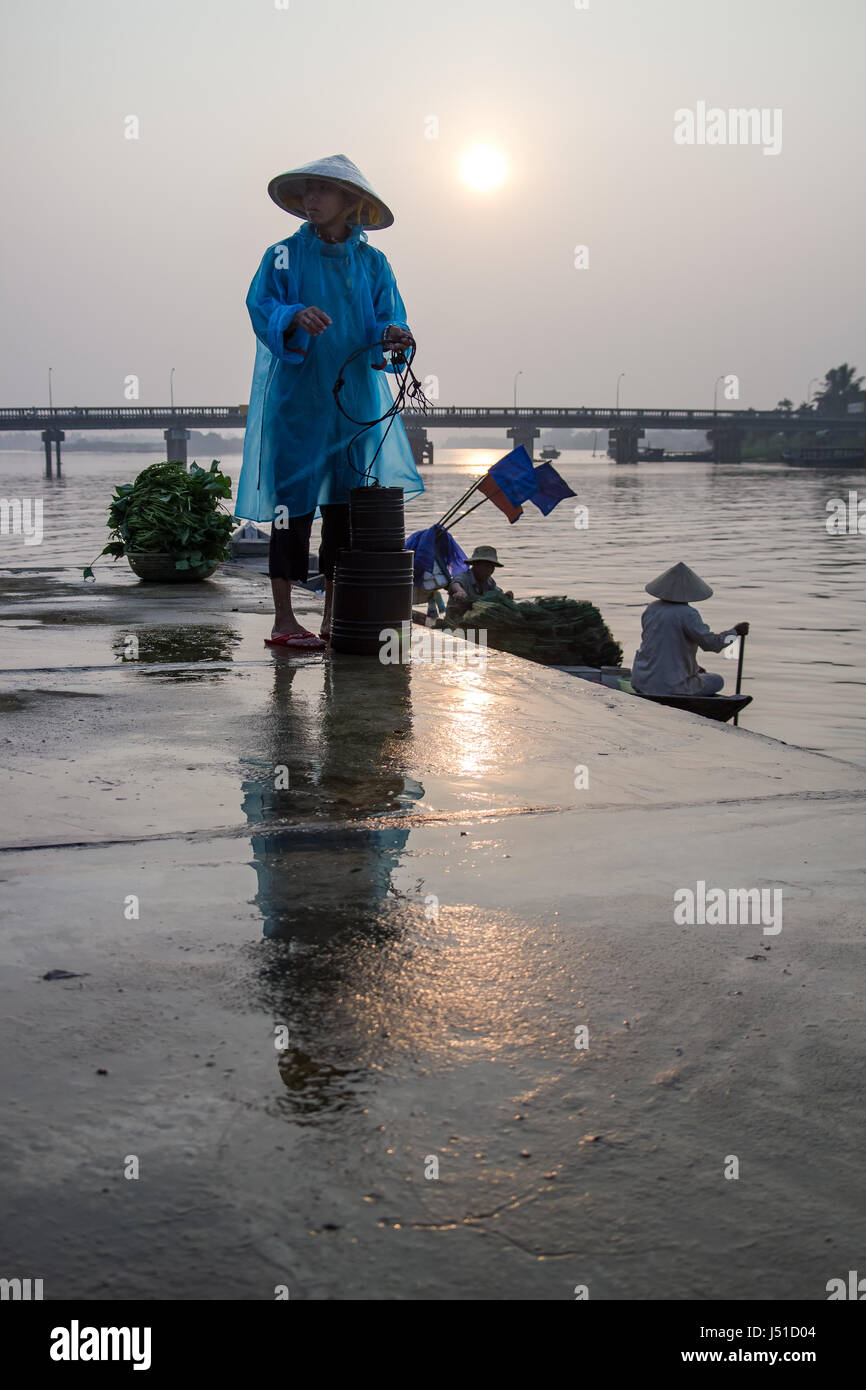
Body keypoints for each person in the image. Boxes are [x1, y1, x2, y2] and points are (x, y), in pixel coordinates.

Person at [235, 154, 424, 649]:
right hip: (296, 404)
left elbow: (386, 317)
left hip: (352, 404)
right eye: (308, 191)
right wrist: (294, 315)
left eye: (323, 191)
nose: (312, 200)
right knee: (289, 511)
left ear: (350, 202)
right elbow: (262, 306)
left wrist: (394, 334)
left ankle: (332, 615)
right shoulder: (282, 255)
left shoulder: (372, 262)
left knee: (345, 512)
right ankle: (282, 619)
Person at [630, 561, 749, 696]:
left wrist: (694, 669)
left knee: (700, 674)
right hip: (670, 686)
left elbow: (665, 647)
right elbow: (712, 644)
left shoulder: (652, 608)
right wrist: (735, 632)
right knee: (717, 680)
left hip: (641, 680)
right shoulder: (687, 613)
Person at [445, 545, 507, 623]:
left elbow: (497, 593)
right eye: (486, 566)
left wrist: (505, 597)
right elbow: (456, 583)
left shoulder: (489, 582)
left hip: (478, 622)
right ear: (475, 565)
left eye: (492, 567)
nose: (490, 570)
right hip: (456, 622)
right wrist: (460, 591)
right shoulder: (464, 577)